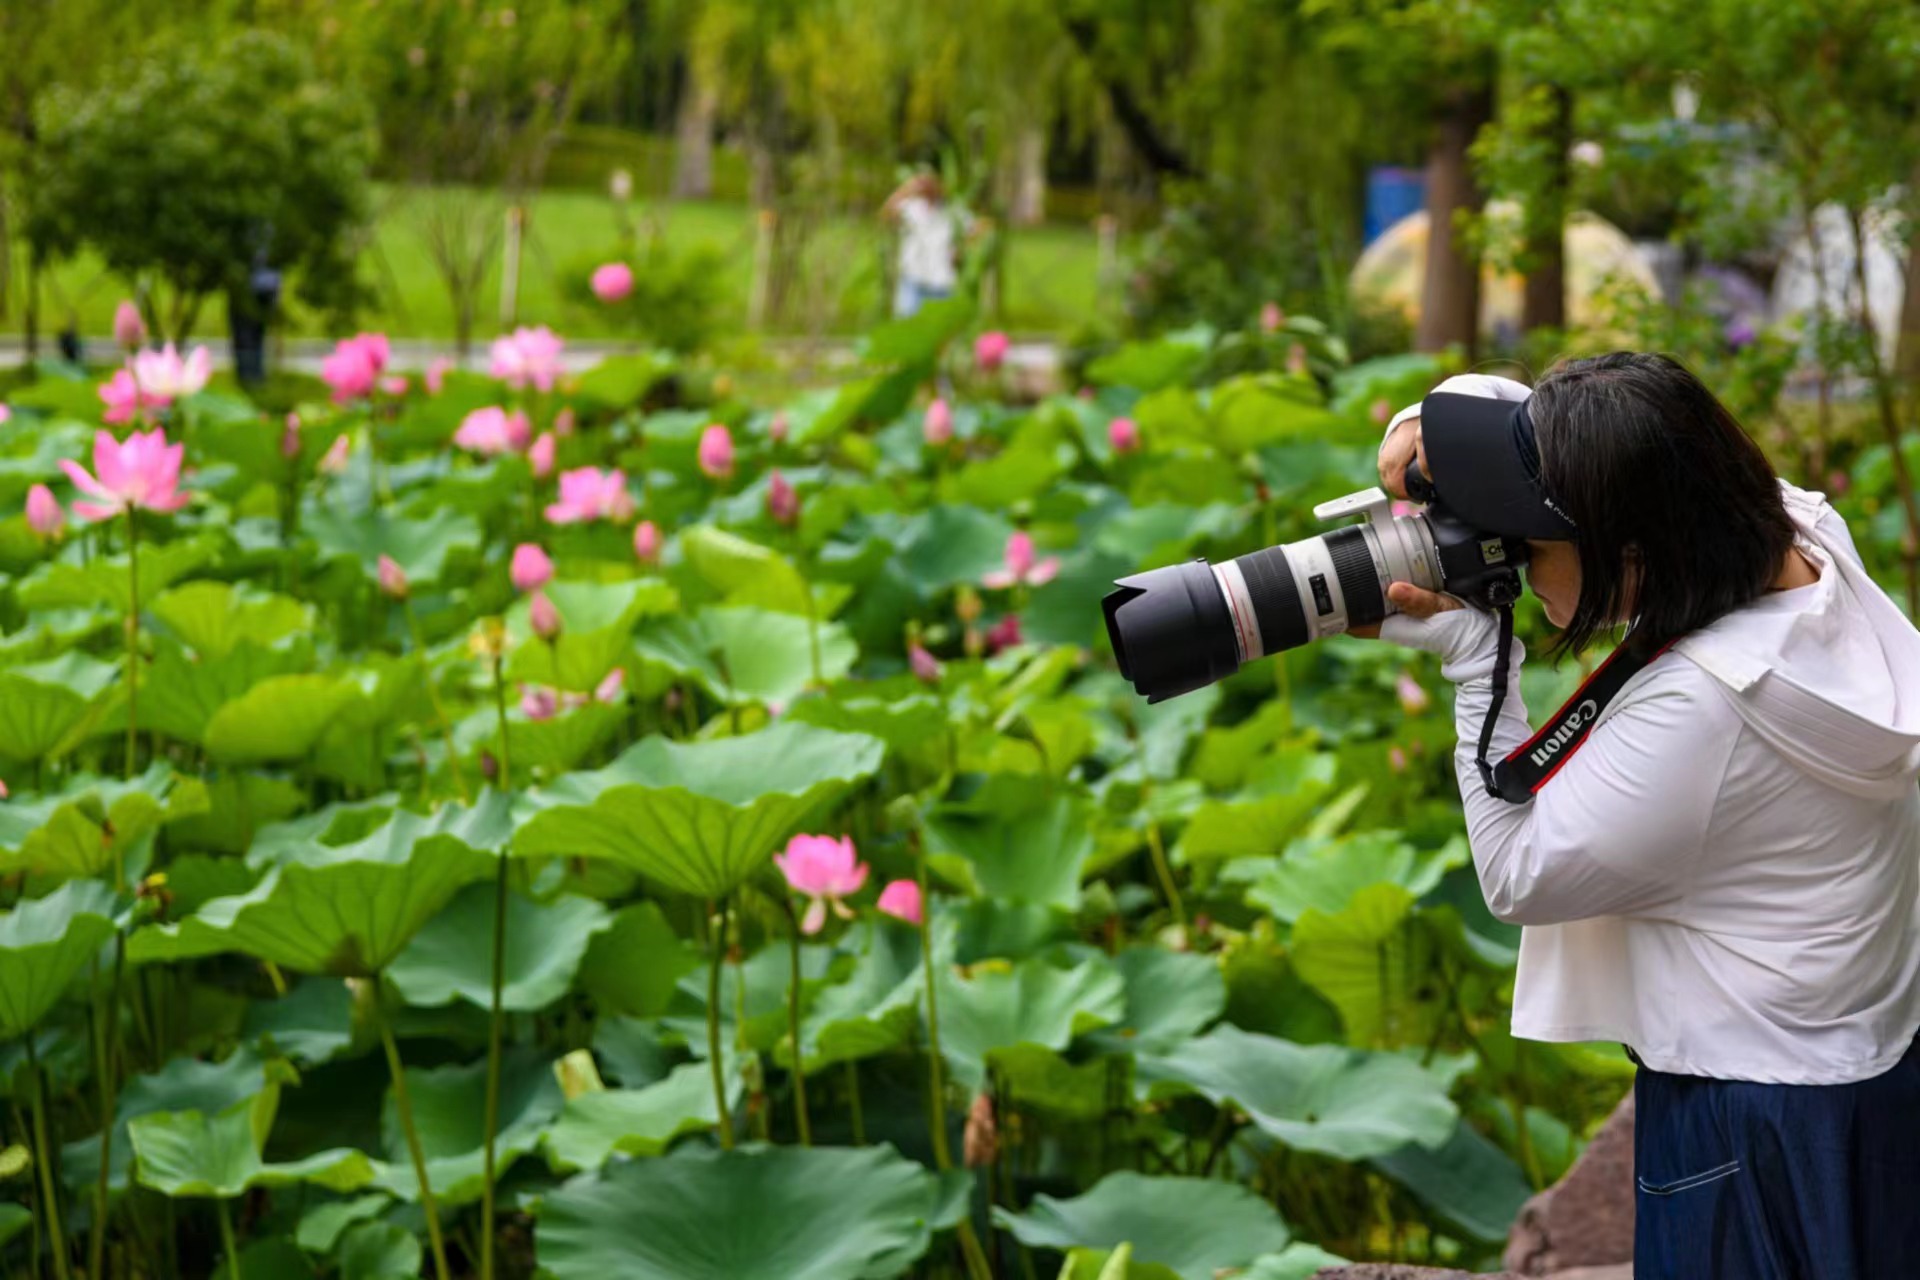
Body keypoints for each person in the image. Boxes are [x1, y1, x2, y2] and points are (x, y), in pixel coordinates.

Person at [1363, 354, 1920, 1279]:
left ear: (1632, 551)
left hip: (1745, 1126)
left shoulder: (1708, 705)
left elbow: (1519, 874)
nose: (1509, 557)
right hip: (1862, 1081)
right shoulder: (1802, 540)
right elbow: (1650, 445)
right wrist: (1435, 423)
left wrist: (1474, 664)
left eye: (1529, 540)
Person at [882, 173, 962, 318]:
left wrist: (959, 249)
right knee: (906, 323)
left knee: (940, 325)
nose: (927, 188)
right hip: (913, 276)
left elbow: (975, 228)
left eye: (930, 184)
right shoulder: (911, 208)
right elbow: (887, 213)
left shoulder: (952, 211)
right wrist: (906, 189)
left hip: (941, 279)